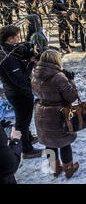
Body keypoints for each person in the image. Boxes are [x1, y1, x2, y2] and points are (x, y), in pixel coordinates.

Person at [31, 50, 79, 178]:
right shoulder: (59, 77)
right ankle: (69, 169)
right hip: (58, 114)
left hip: (41, 112)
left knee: (49, 142)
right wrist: (71, 80)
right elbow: (72, 96)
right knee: (64, 142)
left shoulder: (35, 75)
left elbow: (35, 92)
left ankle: (55, 169)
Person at [0, 25, 42, 159]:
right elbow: (20, 79)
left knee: (24, 119)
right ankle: (26, 149)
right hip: (19, 93)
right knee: (23, 121)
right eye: (17, 37)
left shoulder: (6, 50)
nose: (19, 39)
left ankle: (27, 137)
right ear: (10, 39)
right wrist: (30, 63)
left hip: (15, 91)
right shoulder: (6, 56)